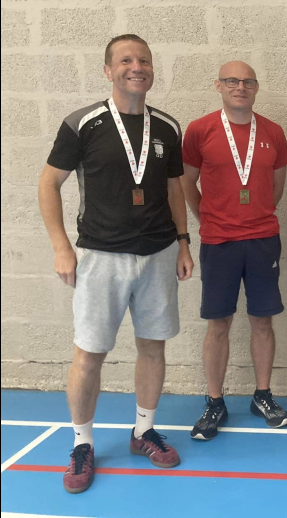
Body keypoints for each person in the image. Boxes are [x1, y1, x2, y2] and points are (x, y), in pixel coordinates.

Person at [38, 34, 193, 494]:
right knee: (89, 355)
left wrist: (184, 243)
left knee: (153, 347)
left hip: (159, 253)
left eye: (143, 59)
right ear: (108, 70)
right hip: (101, 256)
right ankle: (83, 444)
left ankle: (143, 432)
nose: (136, 66)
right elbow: (48, 184)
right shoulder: (81, 123)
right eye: (125, 60)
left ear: (152, 69)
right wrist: (61, 246)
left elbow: (174, 190)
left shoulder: (166, 126)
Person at [181, 61, 287, 440]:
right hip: (219, 241)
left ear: (256, 87)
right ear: (218, 86)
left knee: (263, 320)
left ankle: (262, 395)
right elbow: (186, 184)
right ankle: (214, 402)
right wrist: (208, 218)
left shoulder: (273, 132)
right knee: (219, 323)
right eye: (232, 80)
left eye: (247, 81)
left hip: (263, 239)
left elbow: (276, 188)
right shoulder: (199, 131)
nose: (239, 87)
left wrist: (255, 213)